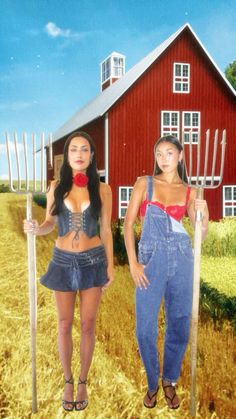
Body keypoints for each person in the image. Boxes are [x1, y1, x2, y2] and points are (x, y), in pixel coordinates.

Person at [23, 131, 114, 412]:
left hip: (93, 261)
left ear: (91, 155)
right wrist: (37, 229)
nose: (79, 153)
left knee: (88, 325)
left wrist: (110, 264)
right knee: (64, 325)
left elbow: (105, 229)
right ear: (67, 155)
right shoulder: (56, 187)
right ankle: (67, 380)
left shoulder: (103, 189)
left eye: (84, 149)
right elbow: (50, 222)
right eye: (73, 149)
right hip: (62, 260)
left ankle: (83, 381)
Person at [124, 135, 208, 410]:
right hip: (151, 259)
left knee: (180, 323)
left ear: (180, 156)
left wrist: (202, 213)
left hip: (183, 258)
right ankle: (151, 381)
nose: (163, 158)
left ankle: (169, 380)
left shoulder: (191, 192)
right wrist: (134, 263)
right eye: (158, 153)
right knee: (145, 329)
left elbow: (200, 236)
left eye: (169, 153)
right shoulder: (144, 183)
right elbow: (127, 226)